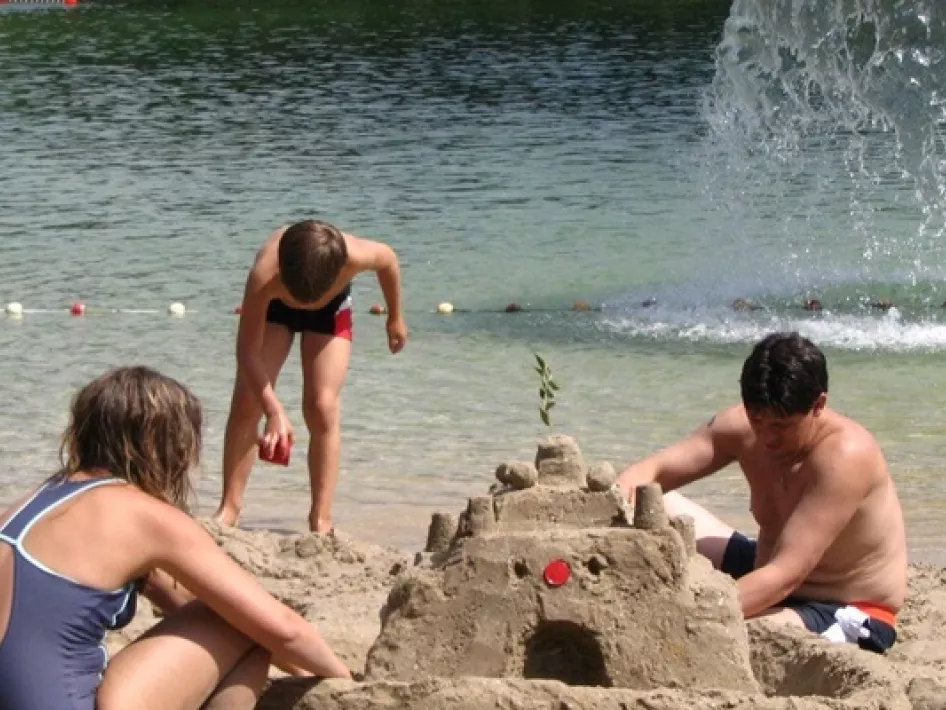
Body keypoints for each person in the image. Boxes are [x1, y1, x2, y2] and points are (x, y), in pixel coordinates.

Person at [0, 366, 352, 710]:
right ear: (162, 446)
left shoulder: (34, 504)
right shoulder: (143, 515)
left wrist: (301, 670)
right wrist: (346, 685)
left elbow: (177, 600)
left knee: (234, 616)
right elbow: (283, 629)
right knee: (238, 618)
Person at [615, 332, 907, 653]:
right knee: (657, 502)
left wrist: (684, 612)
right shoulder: (743, 427)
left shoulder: (846, 456)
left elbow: (787, 575)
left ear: (818, 405)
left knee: (724, 636)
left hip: (844, 606)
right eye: (758, 421)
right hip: (764, 570)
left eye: (782, 426)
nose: (767, 439)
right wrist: (614, 507)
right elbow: (649, 473)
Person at [213, 219, 407, 533]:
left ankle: (321, 518)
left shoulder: (355, 255)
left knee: (322, 407)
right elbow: (247, 352)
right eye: (299, 296)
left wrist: (395, 318)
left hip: (330, 312)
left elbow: (389, 261)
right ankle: (229, 509)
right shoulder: (265, 273)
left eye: (309, 298)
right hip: (275, 311)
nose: (304, 303)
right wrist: (273, 410)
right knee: (248, 400)